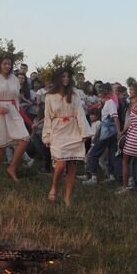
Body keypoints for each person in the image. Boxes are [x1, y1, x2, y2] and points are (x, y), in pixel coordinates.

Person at [42, 68, 93, 206]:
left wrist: (84, 132)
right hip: (58, 130)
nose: (66, 79)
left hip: (73, 130)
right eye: (63, 76)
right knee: (60, 164)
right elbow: (47, 117)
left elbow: (80, 114)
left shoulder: (74, 94)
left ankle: (67, 197)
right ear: (58, 78)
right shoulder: (49, 97)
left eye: (68, 77)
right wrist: (46, 136)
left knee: (71, 165)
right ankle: (54, 186)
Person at [0, 55, 30, 188]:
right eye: (4, 64)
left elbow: (16, 97)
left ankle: (12, 168)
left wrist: (17, 110)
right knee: (0, 148)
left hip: (12, 111)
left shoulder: (14, 78)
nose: (7, 66)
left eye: (9, 64)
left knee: (25, 139)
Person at [81, 83, 121, 185]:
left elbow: (115, 117)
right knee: (111, 156)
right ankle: (111, 177)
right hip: (109, 133)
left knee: (93, 154)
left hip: (107, 133)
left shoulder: (110, 103)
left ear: (105, 92)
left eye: (100, 91)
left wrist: (119, 131)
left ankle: (93, 178)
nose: (98, 93)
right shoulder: (107, 102)